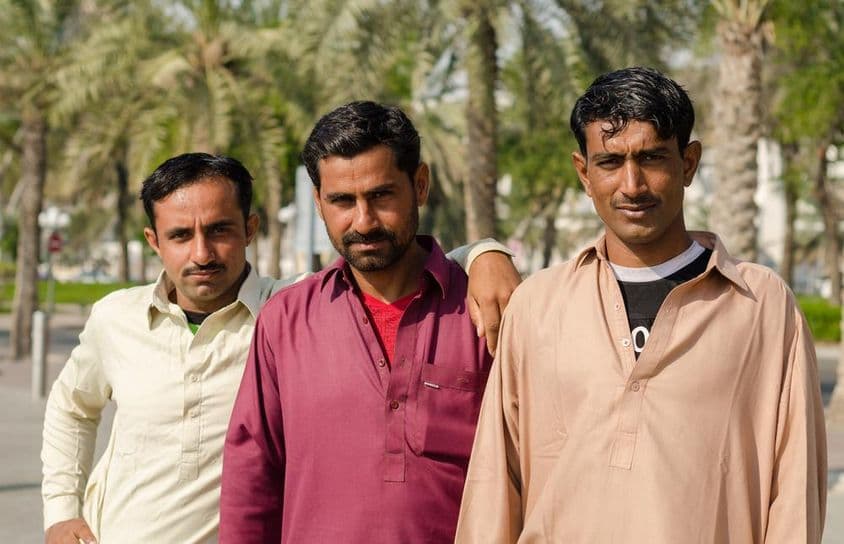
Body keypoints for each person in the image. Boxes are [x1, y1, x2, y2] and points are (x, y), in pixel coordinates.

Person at [41, 153, 519, 544]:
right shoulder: (114, 319)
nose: (202, 254)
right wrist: (62, 511)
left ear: (250, 230)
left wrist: (484, 253)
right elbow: (70, 408)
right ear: (154, 241)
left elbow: (385, 263)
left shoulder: (291, 310)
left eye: (221, 230)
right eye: (181, 236)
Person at [455, 67, 827, 543]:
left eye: (651, 157)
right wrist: (481, 250)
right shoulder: (538, 306)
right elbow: (494, 485)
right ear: (583, 173)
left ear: (688, 163)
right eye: (610, 163)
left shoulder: (761, 307)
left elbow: (795, 489)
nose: (631, 184)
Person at [219, 101, 497, 542]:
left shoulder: (486, 314)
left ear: (420, 185)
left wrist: (487, 252)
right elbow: (252, 479)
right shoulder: (286, 320)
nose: (363, 221)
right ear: (318, 201)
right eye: (342, 201)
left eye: (381, 195)